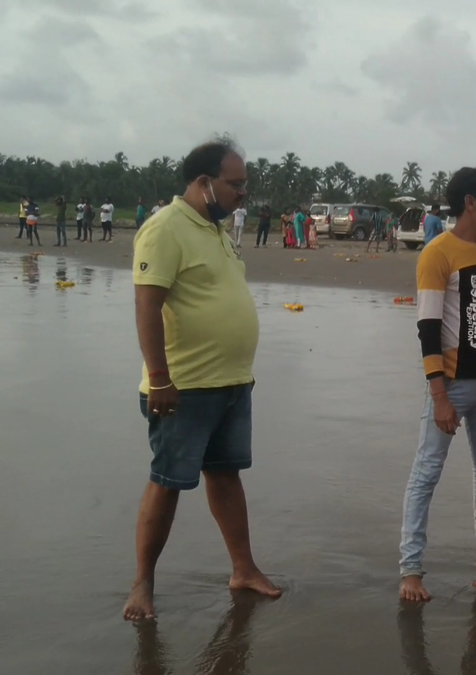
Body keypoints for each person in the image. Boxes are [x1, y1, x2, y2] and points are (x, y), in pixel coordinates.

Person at [123, 139, 281, 622]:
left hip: (232, 382)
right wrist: (159, 377)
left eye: (244, 185)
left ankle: (243, 569)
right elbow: (147, 305)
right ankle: (142, 586)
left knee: (226, 474)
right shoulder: (165, 228)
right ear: (203, 183)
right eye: (235, 184)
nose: (241, 194)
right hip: (183, 386)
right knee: (167, 482)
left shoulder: (216, 231)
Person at [400, 166, 476, 604]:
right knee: (427, 473)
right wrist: (439, 395)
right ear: (471, 202)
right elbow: (428, 327)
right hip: (451, 383)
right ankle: (410, 569)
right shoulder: (436, 253)